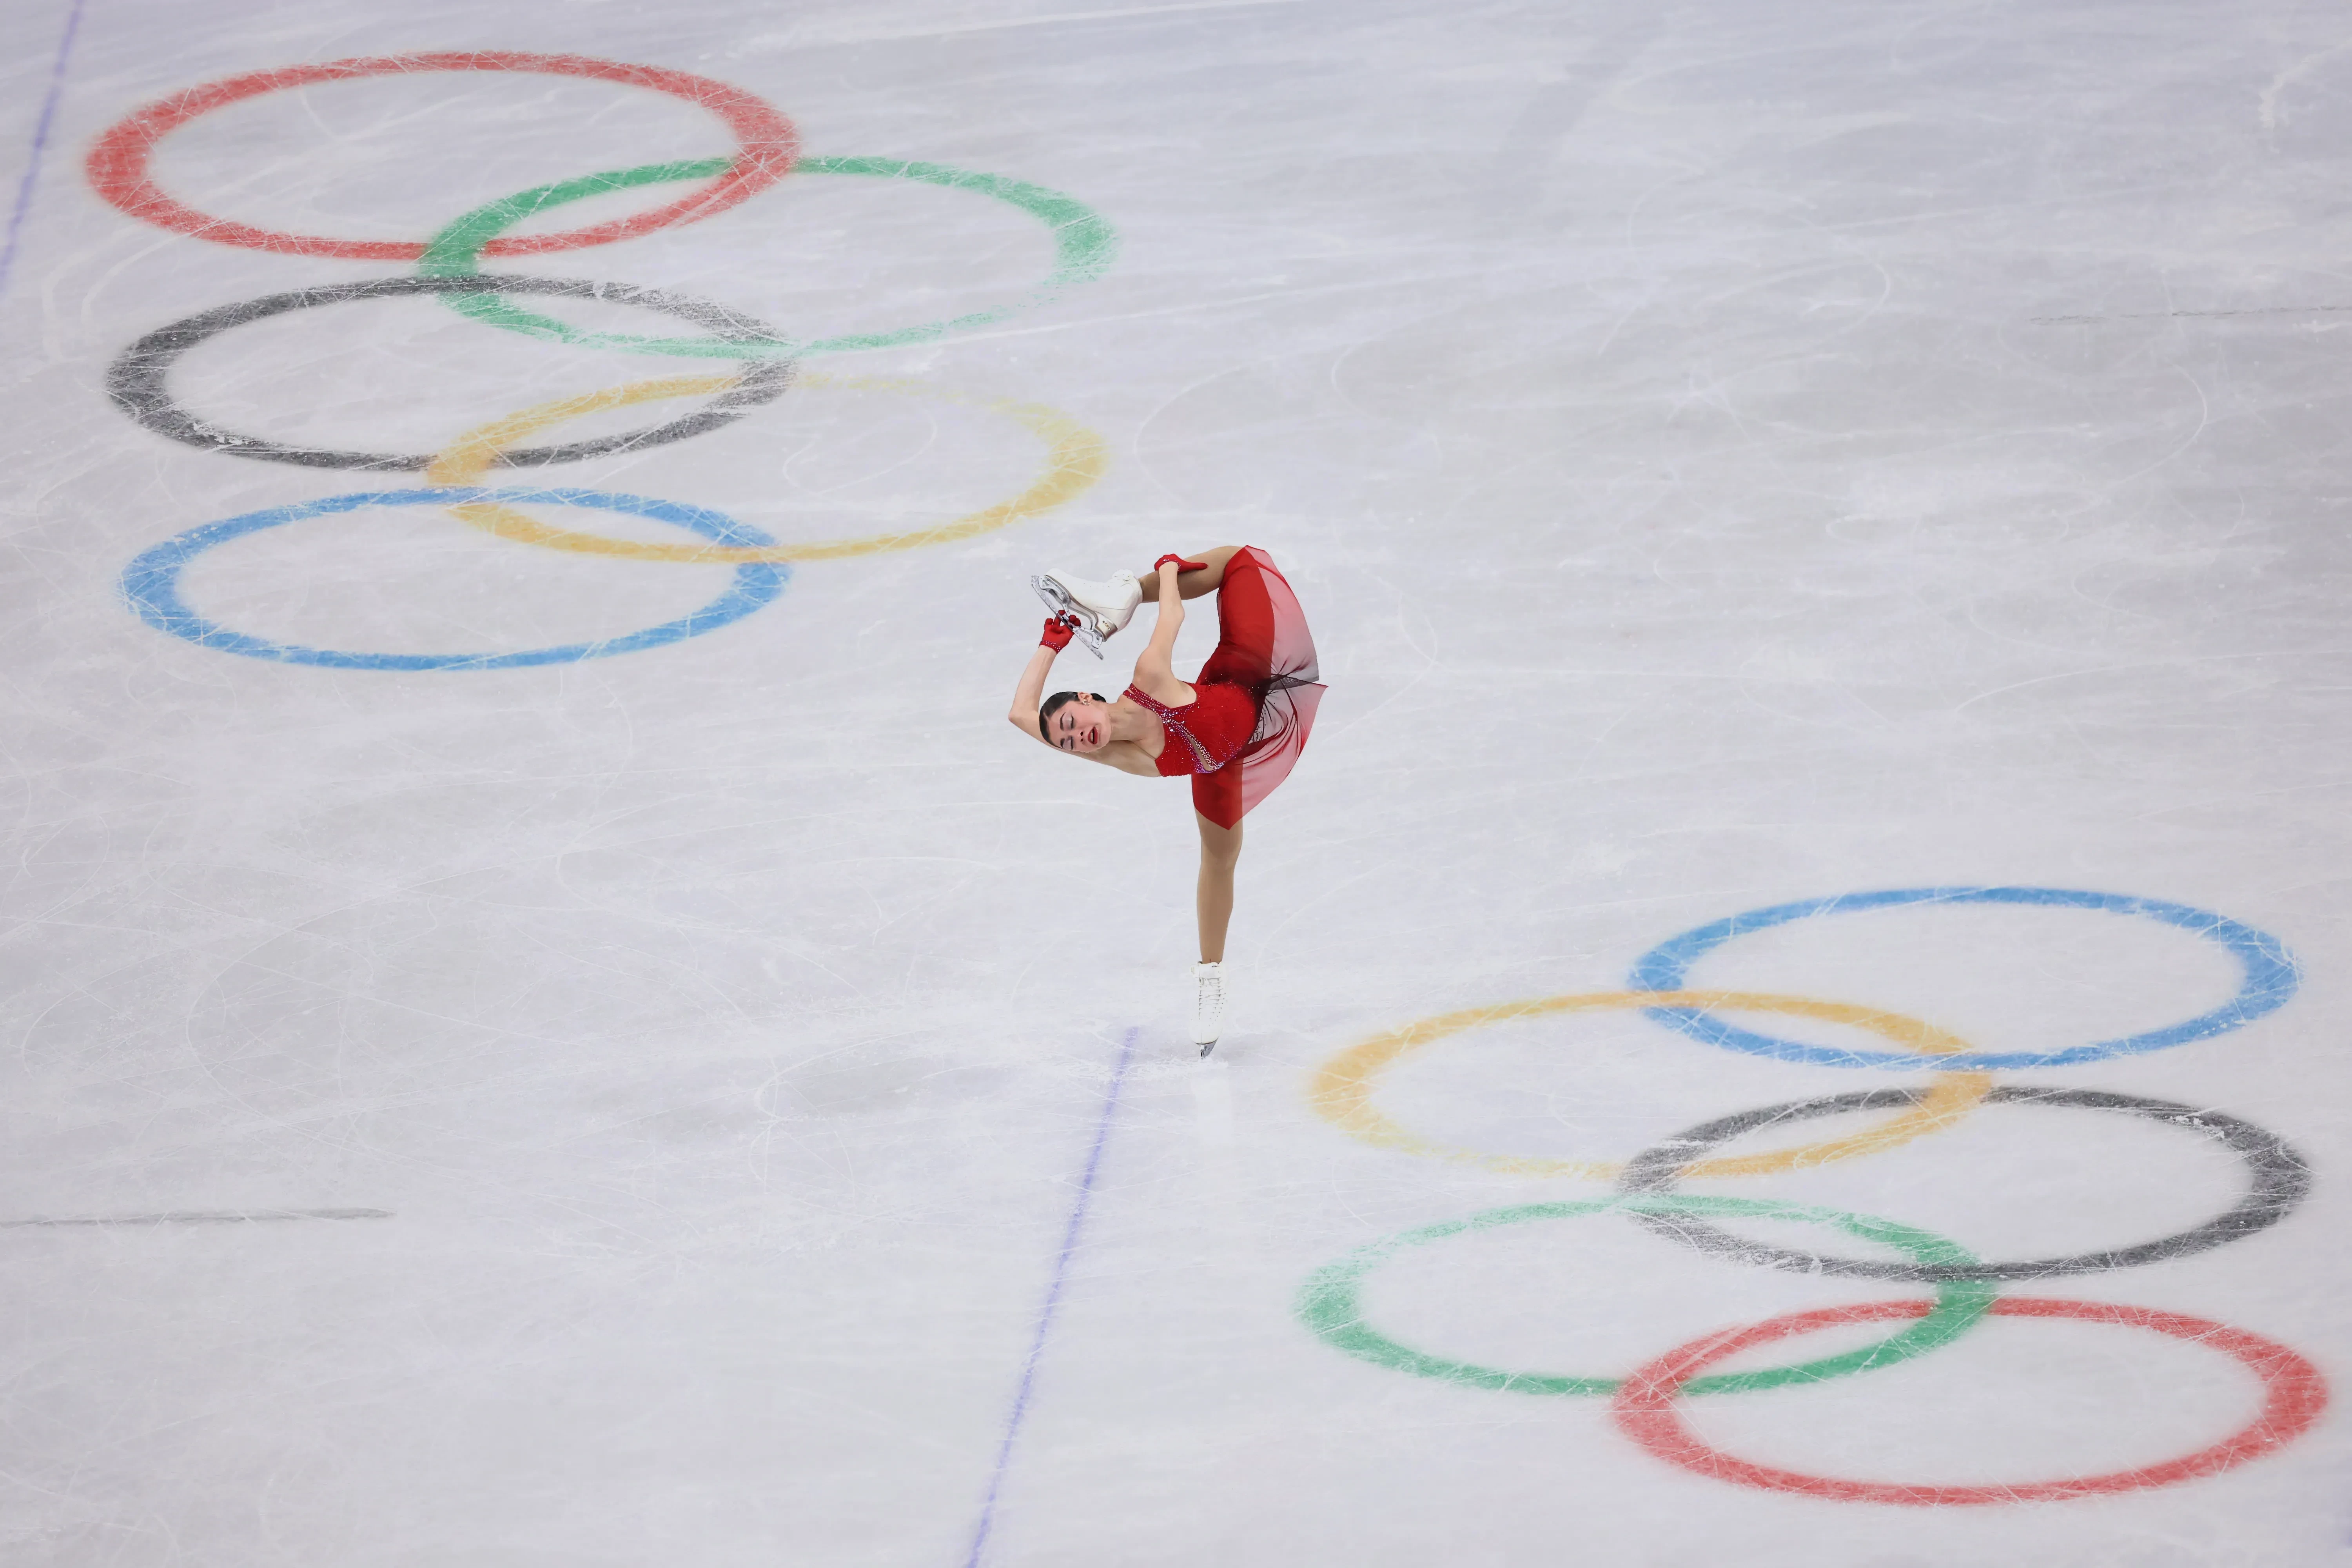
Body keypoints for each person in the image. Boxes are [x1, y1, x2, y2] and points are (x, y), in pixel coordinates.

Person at [1008, 547, 1324, 1051]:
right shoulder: (1113, 753)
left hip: (1245, 674)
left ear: (1086, 697)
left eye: (1071, 723)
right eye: (1067, 742)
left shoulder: (1149, 677)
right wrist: (1050, 644)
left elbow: (1173, 615)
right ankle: (1210, 978)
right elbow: (1021, 716)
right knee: (1219, 860)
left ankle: (1126, 592)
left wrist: (1169, 571)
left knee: (1239, 560)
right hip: (1219, 765)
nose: (1077, 738)